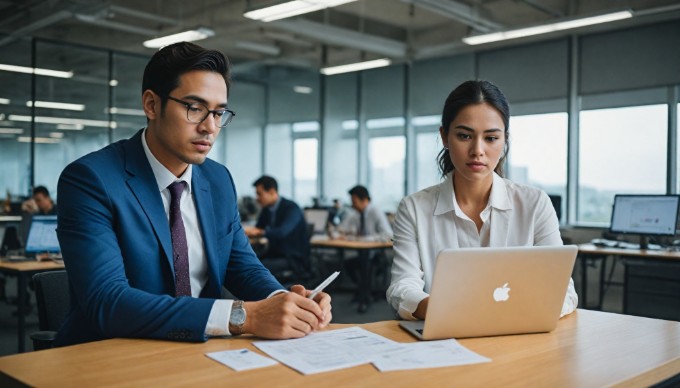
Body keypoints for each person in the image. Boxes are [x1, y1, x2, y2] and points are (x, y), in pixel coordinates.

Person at [55, 42, 331, 347]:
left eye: (219, 112)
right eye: (195, 108)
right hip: (111, 355)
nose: (210, 127)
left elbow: (241, 266)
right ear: (151, 105)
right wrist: (244, 317)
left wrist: (284, 301)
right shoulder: (91, 179)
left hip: (199, 353)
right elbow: (107, 301)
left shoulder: (217, 179)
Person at [386, 80, 578, 320]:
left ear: (504, 140)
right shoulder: (414, 208)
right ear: (444, 136)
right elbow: (402, 286)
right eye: (465, 136)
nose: (478, 150)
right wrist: (442, 310)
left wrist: (515, 311)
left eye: (491, 138)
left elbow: (564, 291)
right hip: (445, 334)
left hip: (519, 334)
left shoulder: (535, 204)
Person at [244, 176, 311, 279]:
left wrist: (258, 232)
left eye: (259, 194)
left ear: (271, 192)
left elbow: (282, 232)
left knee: (256, 268)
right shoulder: (267, 209)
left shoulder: (292, 208)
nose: (257, 198)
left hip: (292, 257)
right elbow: (258, 228)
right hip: (274, 253)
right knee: (246, 262)